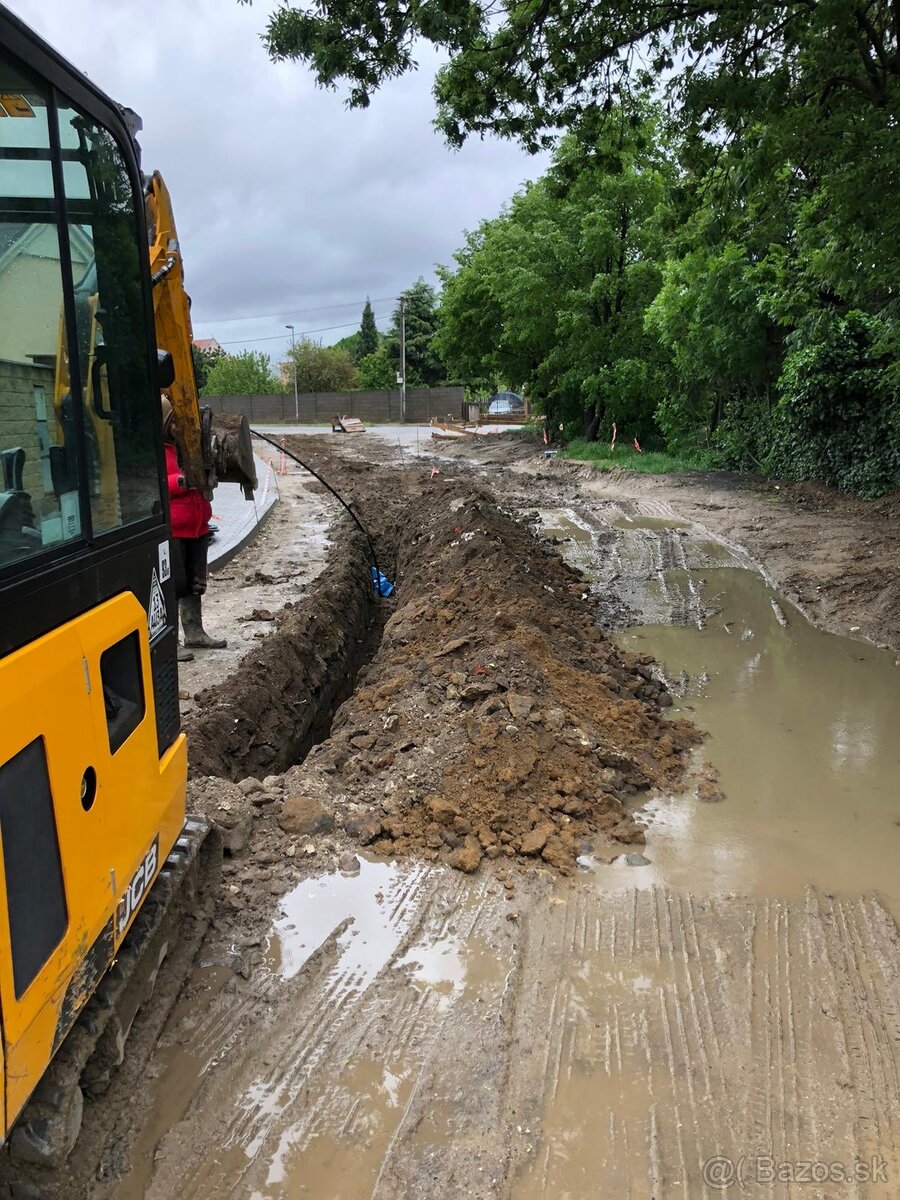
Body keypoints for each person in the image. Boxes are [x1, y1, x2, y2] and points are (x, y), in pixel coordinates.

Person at [161, 397, 226, 659]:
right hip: (175, 529)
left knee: (194, 583)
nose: (177, 426)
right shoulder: (155, 452)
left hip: (197, 526)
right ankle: (170, 642)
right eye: (172, 421)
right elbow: (154, 487)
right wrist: (181, 481)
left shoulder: (187, 448)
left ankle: (194, 632)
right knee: (174, 586)